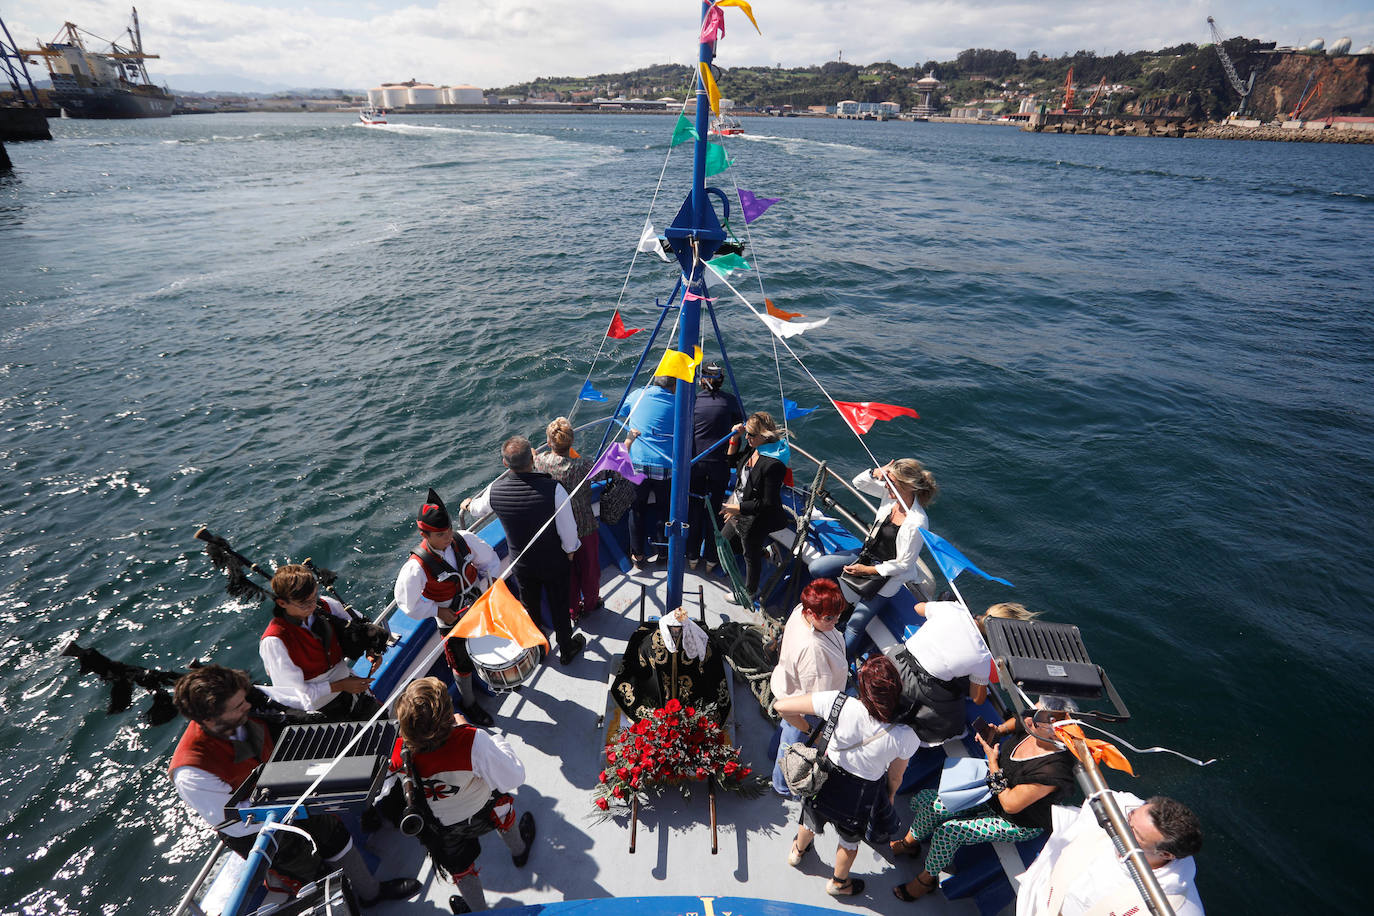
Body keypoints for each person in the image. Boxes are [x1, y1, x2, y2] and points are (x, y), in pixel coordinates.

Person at [169, 665, 419, 905]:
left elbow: (297, 701)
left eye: (244, 698)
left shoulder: (248, 701)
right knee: (313, 875)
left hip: (296, 790)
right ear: (210, 719)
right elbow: (235, 822)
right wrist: (295, 797)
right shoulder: (192, 770)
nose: (247, 705)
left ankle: (371, 893)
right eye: (237, 706)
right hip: (261, 830)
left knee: (337, 839)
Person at [892, 696, 1079, 902]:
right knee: (933, 804)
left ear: (1055, 730)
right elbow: (1017, 721)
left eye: (1034, 718)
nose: (1027, 719)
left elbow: (1010, 805)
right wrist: (997, 731)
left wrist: (992, 761)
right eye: (1030, 712)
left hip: (1016, 820)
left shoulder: (1053, 770)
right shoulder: (1032, 725)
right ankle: (909, 843)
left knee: (949, 832)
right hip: (990, 792)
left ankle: (927, 879)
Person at [774, 655, 920, 898]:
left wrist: (809, 730)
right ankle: (838, 883)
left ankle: (797, 853)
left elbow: (782, 706)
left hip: (824, 779)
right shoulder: (906, 736)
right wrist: (891, 796)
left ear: (863, 687)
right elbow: (896, 776)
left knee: (809, 820)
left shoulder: (838, 702)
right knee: (849, 842)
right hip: (861, 795)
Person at [391, 677, 537, 914]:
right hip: (484, 809)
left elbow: (384, 787)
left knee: (460, 867)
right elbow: (513, 777)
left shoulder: (399, 754)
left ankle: (478, 910)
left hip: (443, 826)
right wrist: (489, 738)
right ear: (448, 715)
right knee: (504, 812)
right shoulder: (470, 740)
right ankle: (520, 852)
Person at [463, 436, 586, 666]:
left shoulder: (495, 490)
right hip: (553, 561)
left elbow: (478, 510)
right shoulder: (554, 489)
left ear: (504, 463)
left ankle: (538, 649)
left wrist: (468, 504)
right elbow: (568, 529)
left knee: (530, 607)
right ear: (533, 459)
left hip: (522, 564)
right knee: (559, 604)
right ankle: (566, 648)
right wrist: (570, 551)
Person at [394, 489, 503, 727]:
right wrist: (437, 611)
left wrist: (489, 585)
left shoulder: (464, 540)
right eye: (441, 534)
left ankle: (491, 679)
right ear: (425, 534)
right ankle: (469, 701)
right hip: (451, 622)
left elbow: (490, 561)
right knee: (460, 664)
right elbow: (407, 604)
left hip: (478, 608)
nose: (449, 537)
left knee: (487, 646)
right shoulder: (416, 567)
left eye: (450, 530)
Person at [808, 458, 938, 656]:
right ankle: (841, 604)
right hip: (866, 556)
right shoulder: (891, 496)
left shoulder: (917, 522)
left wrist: (867, 571)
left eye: (890, 481)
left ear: (906, 486)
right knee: (817, 568)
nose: (885, 484)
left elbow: (904, 564)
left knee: (855, 624)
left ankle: (840, 661)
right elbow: (858, 483)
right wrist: (876, 472)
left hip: (887, 576)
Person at [1016, 793, 1205, 916]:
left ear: (1164, 854)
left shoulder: (1174, 908)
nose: (1120, 827)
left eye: (1134, 833)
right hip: (1038, 903)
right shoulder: (1129, 813)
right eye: (1130, 816)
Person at [887, 601, 1036, 746]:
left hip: (896, 659)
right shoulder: (982, 656)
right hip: (919, 684)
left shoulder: (954, 608)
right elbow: (977, 698)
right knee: (953, 727)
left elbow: (918, 607)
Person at [260, 563, 381, 722]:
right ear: (282, 603)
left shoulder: (325, 605)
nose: (312, 605)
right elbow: (295, 695)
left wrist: (372, 650)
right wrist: (341, 685)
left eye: (314, 597)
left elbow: (361, 626)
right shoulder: (275, 641)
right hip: (323, 712)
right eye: (304, 602)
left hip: (353, 690)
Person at [769, 578, 848, 798]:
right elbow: (817, 699)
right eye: (829, 617)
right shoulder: (813, 651)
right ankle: (783, 786)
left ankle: (771, 756)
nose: (836, 620)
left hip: (787, 687)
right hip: (803, 706)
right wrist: (814, 730)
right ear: (812, 613)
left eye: (839, 614)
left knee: (784, 731)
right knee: (793, 746)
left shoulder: (799, 611)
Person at [534, 417, 603, 622]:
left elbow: (532, 456)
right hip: (584, 525)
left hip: (558, 529)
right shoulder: (582, 465)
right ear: (571, 443)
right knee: (590, 571)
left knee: (568, 574)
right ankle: (590, 603)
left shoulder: (540, 462)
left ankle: (572, 610)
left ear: (549, 443)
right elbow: (604, 472)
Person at [721, 411, 790, 602]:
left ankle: (750, 592)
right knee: (724, 543)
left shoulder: (773, 464)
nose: (748, 438)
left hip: (758, 517)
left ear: (764, 436)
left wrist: (736, 509)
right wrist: (735, 439)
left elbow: (767, 503)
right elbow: (732, 463)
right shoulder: (755, 448)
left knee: (749, 553)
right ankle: (767, 552)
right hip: (741, 507)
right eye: (747, 434)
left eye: (751, 435)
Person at [687, 362, 744, 571]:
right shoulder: (730, 401)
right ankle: (712, 558)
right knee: (716, 511)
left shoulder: (691, 401)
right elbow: (739, 431)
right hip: (720, 465)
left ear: (702, 381)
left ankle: (692, 556)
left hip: (696, 463)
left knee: (694, 509)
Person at [619, 374, 676, 568]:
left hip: (638, 464)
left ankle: (638, 555)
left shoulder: (638, 395)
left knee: (636, 510)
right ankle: (663, 554)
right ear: (674, 386)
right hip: (665, 465)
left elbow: (622, 411)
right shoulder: (679, 402)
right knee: (664, 510)